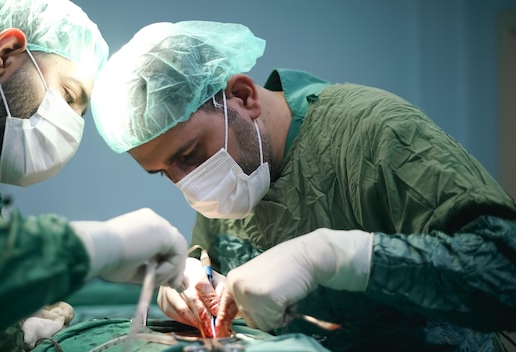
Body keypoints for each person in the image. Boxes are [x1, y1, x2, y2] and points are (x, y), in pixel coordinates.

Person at [90, 20, 516, 351]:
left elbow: (505, 267)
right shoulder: (230, 179)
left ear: (242, 97)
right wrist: (190, 284)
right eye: (164, 172)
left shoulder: (377, 133)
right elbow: (214, 265)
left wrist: (335, 256)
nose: (188, 183)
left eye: (188, 155)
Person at [0, 2, 188, 351]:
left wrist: (7, 327)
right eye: (69, 95)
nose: (71, 127)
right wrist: (99, 245)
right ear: (6, 53)